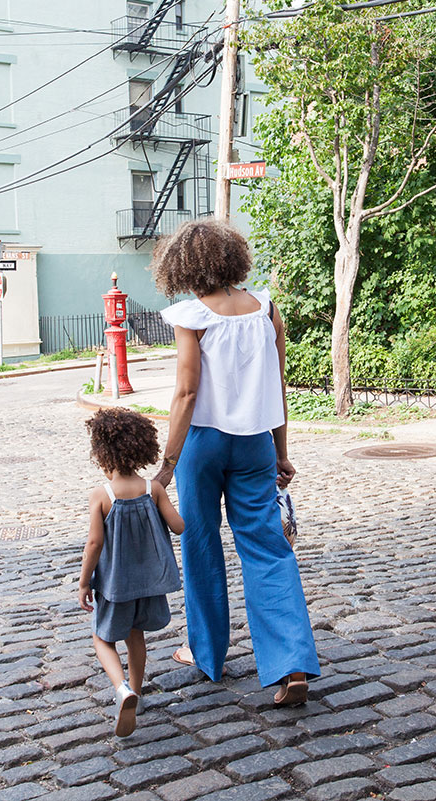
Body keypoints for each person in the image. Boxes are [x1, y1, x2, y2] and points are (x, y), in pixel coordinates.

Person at [153, 219, 320, 705]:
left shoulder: (192, 315)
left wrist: (167, 464)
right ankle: (290, 663)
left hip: (204, 444)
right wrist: (282, 451)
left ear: (182, 265)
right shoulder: (264, 308)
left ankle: (207, 654)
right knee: (268, 549)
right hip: (255, 445)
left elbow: (186, 392)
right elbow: (277, 384)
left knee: (201, 544)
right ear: (233, 258)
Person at [78, 408, 184, 737]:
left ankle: (121, 688)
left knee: (102, 638)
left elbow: (95, 542)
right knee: (135, 636)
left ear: (102, 454)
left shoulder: (102, 495)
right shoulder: (153, 489)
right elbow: (179, 527)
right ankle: (136, 691)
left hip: (115, 585)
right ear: (140, 450)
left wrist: (84, 582)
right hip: (148, 584)